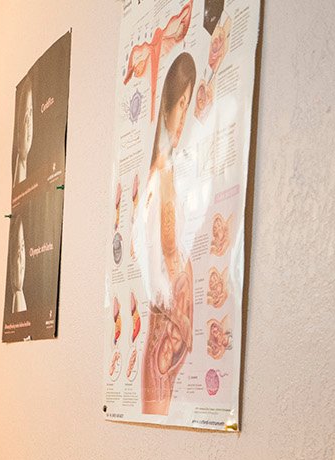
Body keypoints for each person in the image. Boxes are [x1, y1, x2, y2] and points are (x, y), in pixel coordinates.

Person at [135, 51, 197, 416]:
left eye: (188, 108)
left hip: (173, 339)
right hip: (164, 341)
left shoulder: (173, 170)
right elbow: (168, 248)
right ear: (167, 108)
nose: (182, 119)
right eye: (180, 106)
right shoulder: (160, 174)